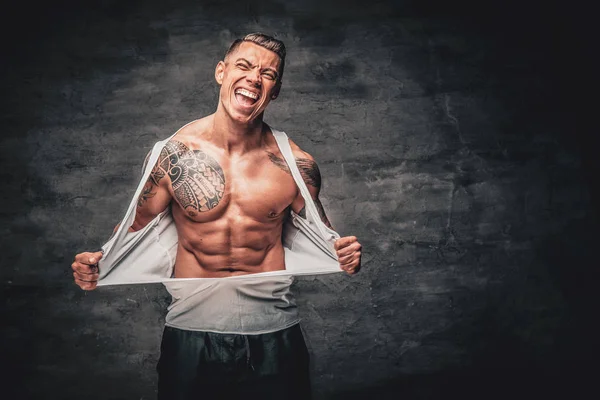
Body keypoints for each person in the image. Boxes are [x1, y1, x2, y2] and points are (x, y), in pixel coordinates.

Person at [71, 33, 362, 399]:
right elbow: (134, 226)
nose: (254, 78)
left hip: (275, 335)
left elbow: (324, 238)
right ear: (221, 72)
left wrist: (345, 255)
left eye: (267, 74)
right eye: (244, 66)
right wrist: (100, 259)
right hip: (191, 335)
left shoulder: (296, 165)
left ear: (276, 90)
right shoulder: (172, 156)